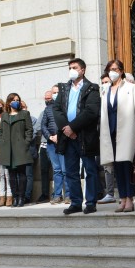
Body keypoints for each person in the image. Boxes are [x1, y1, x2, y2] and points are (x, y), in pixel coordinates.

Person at [52, 58, 101, 215]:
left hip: (84, 136)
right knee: (71, 171)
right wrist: (66, 129)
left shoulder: (91, 88)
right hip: (68, 137)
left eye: (74, 67)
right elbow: (57, 109)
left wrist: (73, 127)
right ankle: (76, 202)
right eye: (70, 67)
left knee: (90, 170)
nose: (71, 70)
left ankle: (91, 202)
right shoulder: (64, 89)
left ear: (83, 70)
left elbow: (91, 112)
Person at [99, 60, 135, 213]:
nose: (112, 72)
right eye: (110, 69)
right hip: (110, 132)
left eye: (115, 69)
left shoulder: (132, 87)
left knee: (127, 165)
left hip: (127, 131)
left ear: (122, 71)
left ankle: (130, 198)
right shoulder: (104, 90)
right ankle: (122, 197)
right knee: (116, 167)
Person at [0, 93, 34, 208]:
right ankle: (15, 197)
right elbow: (1, 131)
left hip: (20, 147)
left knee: (22, 174)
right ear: (9, 102)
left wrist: (26, 142)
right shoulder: (4, 115)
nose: (16, 102)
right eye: (13, 100)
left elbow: (29, 130)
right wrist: (1, 143)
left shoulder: (24, 113)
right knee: (11, 175)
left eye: (18, 100)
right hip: (8, 149)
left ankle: (21, 198)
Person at [42, 85, 68, 204]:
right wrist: (50, 136)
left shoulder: (66, 106)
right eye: (54, 92)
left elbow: (69, 122)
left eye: (57, 92)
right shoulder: (48, 109)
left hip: (64, 141)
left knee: (65, 169)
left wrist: (60, 135)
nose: (55, 94)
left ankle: (68, 194)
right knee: (56, 170)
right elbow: (43, 125)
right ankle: (57, 195)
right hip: (52, 143)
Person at [97, 74, 118, 204]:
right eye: (103, 82)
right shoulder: (100, 99)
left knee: (121, 165)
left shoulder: (117, 97)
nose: (104, 84)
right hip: (105, 137)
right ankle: (110, 193)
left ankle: (124, 193)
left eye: (107, 82)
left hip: (118, 135)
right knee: (107, 166)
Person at [35, 90, 53, 204]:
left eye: (49, 98)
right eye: (46, 99)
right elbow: (37, 127)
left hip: (56, 144)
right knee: (44, 170)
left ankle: (60, 193)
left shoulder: (58, 110)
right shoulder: (43, 112)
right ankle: (45, 193)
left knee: (59, 170)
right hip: (44, 144)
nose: (48, 100)